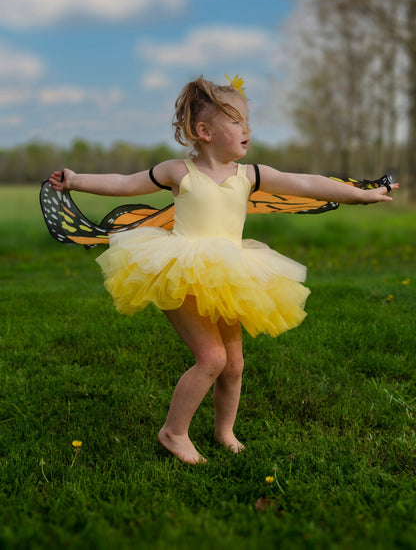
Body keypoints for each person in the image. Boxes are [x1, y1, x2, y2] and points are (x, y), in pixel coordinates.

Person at [49, 75, 398, 465]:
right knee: (212, 359)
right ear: (205, 131)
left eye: (247, 121)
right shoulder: (178, 172)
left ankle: (224, 430)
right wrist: (76, 180)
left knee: (234, 365)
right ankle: (173, 432)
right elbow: (124, 182)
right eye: (237, 121)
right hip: (179, 271)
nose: (247, 129)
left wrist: (362, 195)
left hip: (230, 275)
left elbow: (309, 183)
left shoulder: (249, 176)